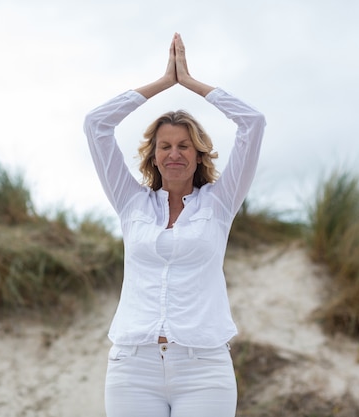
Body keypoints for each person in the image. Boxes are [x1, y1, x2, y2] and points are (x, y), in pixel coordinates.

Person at [83, 32, 266, 417]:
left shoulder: (220, 203)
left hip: (203, 368)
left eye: (184, 145)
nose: (174, 153)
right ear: (153, 156)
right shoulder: (130, 202)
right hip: (133, 366)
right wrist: (163, 85)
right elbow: (96, 124)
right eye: (164, 146)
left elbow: (253, 122)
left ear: (198, 154)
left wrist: (191, 84)